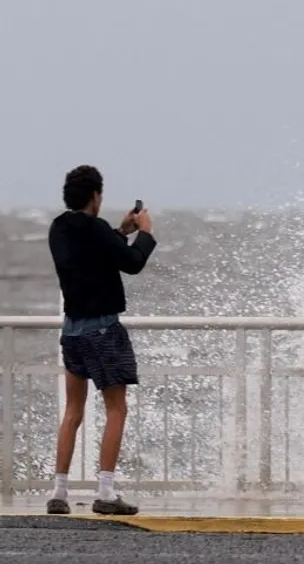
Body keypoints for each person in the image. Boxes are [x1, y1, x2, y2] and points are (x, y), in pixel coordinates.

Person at [45, 165, 156, 516]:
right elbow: (133, 263)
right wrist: (145, 234)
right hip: (105, 331)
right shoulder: (95, 231)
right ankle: (105, 491)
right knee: (116, 409)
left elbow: (95, 248)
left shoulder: (59, 228)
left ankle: (59, 492)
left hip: (72, 331)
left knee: (72, 412)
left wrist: (121, 231)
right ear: (95, 196)